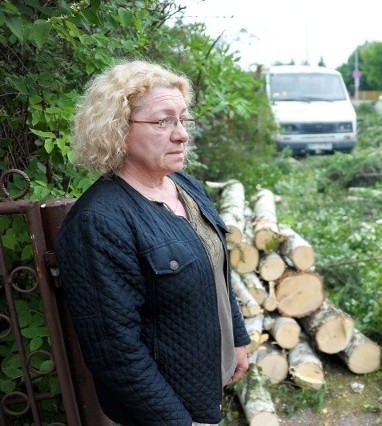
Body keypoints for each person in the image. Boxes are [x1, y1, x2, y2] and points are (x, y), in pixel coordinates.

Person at [55, 60, 250, 426]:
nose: (181, 135)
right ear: (117, 130)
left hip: (204, 388)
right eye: (163, 121)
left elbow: (215, 269)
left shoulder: (186, 187)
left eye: (182, 119)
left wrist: (236, 338)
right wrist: (176, 421)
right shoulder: (99, 221)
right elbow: (114, 352)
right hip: (163, 412)